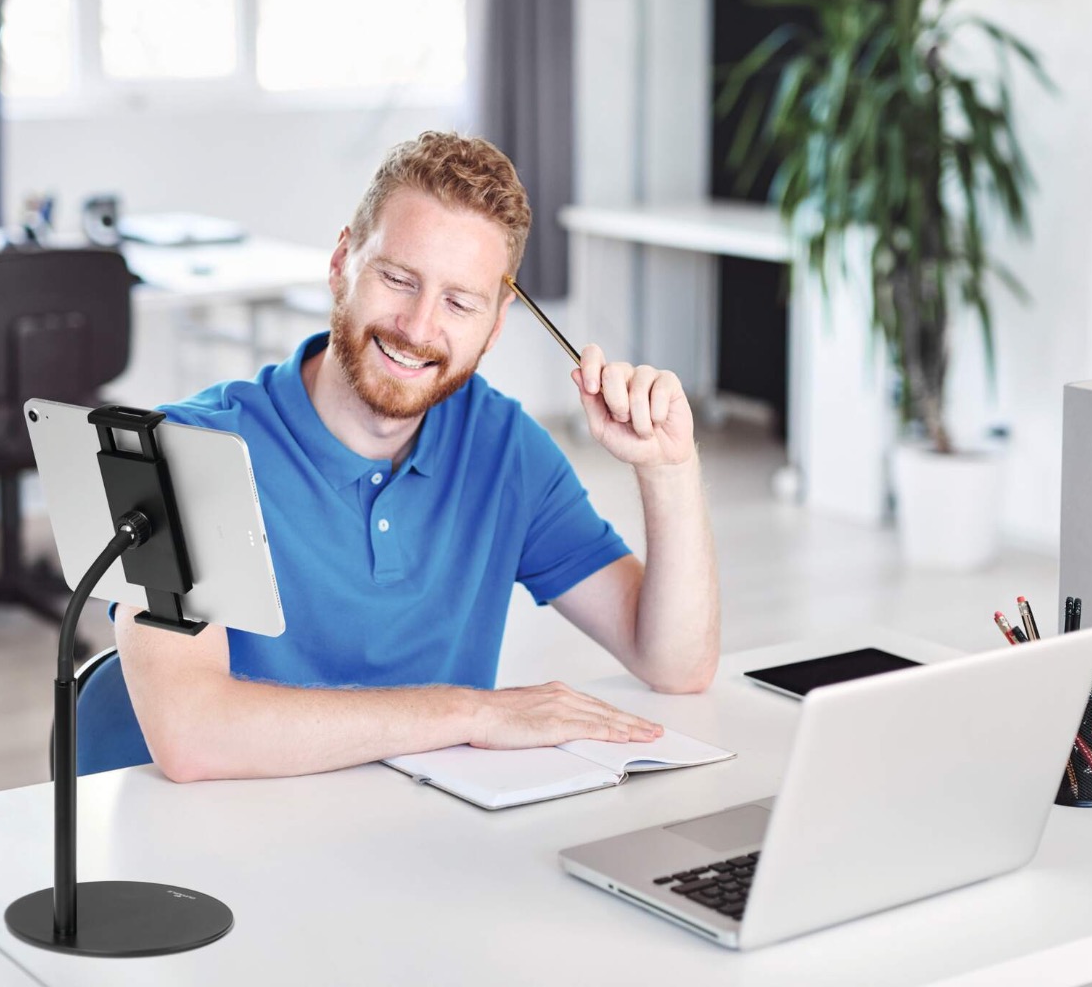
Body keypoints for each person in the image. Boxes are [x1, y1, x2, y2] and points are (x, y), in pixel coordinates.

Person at [81, 132, 719, 781]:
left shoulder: (504, 447)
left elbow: (675, 663)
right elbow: (192, 736)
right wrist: (470, 713)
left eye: (458, 302)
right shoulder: (174, 455)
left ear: (494, 327)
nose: (417, 327)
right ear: (341, 264)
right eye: (397, 279)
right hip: (225, 857)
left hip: (422, 849)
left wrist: (668, 470)